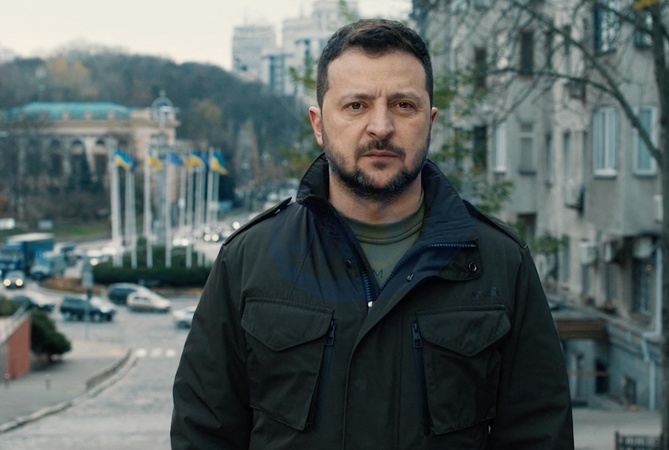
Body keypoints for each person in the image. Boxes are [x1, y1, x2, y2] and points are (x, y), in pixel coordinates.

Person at [171, 18, 574, 449]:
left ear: (430, 121)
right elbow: (204, 434)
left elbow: (539, 435)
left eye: (403, 105)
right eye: (356, 105)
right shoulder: (248, 262)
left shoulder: (501, 263)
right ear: (318, 124)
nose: (381, 126)